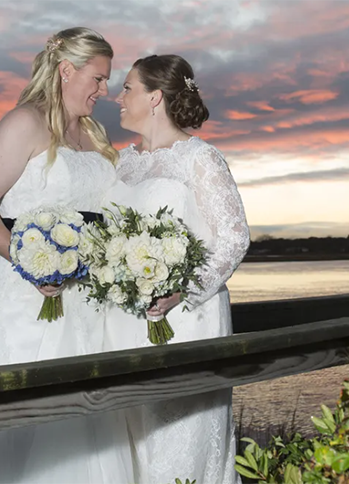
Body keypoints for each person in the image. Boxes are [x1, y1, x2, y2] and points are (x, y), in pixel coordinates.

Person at [0, 27, 133, 484]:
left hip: (90, 301)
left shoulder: (94, 135)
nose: (104, 90)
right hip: (29, 296)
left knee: (85, 415)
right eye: (97, 79)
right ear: (66, 70)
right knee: (22, 418)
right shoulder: (24, 123)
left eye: (108, 81)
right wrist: (31, 263)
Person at [104, 54, 250, 484]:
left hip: (186, 315)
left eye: (127, 88)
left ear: (154, 97)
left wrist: (183, 289)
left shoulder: (199, 158)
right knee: (131, 435)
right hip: (124, 317)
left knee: (180, 432)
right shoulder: (121, 163)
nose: (118, 97)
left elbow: (234, 237)